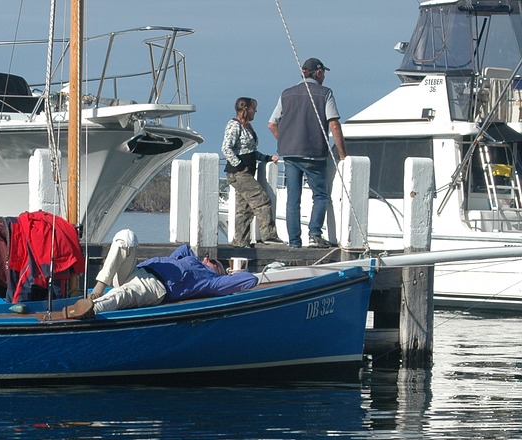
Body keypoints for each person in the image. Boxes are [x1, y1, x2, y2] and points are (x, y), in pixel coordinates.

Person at [63, 229, 258, 318]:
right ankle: (98, 289)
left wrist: (231, 273)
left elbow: (250, 279)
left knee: (122, 295)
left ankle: (91, 308)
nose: (208, 260)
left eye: (213, 262)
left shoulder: (209, 281)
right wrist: (195, 259)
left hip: (154, 286)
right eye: (207, 258)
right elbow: (184, 248)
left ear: (218, 271)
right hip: (136, 271)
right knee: (127, 237)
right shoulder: (188, 260)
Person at [268, 57, 347, 248]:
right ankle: (314, 235)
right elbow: (334, 124)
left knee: (292, 200)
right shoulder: (325, 93)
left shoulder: (286, 94)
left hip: (290, 155)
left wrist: (286, 141)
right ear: (318, 73)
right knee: (320, 196)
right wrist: (343, 155)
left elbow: (272, 124)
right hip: (314, 154)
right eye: (324, 73)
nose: (324, 77)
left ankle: (294, 242)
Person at [221, 96, 281, 246]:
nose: (256, 112)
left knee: (245, 209)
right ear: (245, 109)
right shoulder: (234, 126)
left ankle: (241, 242)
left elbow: (251, 151)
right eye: (254, 108)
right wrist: (239, 165)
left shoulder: (247, 126)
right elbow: (226, 148)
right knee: (262, 199)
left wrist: (267, 158)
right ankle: (269, 235)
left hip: (245, 172)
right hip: (239, 173)